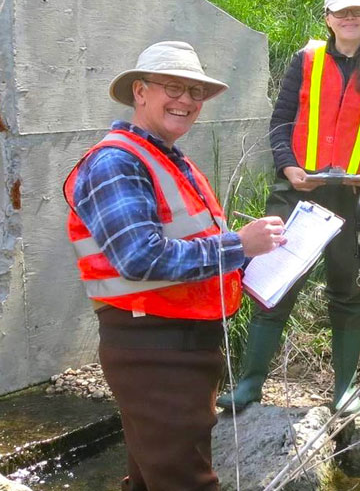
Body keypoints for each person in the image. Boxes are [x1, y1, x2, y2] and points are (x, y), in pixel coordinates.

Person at [63, 41, 285, 490]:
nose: (186, 100)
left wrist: (258, 259)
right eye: (173, 87)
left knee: (151, 479)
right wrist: (240, 245)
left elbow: (190, 251)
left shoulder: (167, 158)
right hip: (153, 348)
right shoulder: (117, 162)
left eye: (195, 92)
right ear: (139, 92)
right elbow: (139, 257)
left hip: (176, 347)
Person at [217, 0, 360, 415]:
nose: (350, 19)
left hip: (359, 198)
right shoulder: (306, 61)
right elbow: (281, 121)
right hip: (298, 191)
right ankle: (249, 384)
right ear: (328, 18)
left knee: (348, 291)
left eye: (358, 12)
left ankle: (344, 390)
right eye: (342, 13)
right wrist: (289, 168)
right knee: (274, 284)